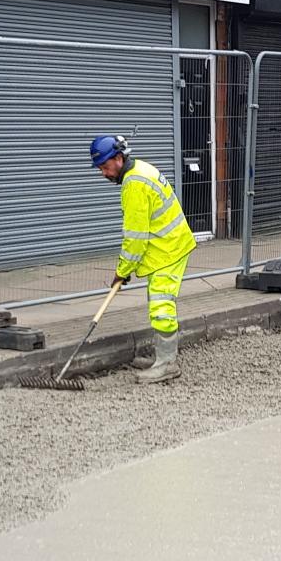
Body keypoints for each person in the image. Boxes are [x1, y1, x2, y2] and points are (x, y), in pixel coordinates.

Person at [91, 134, 196, 383]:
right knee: (158, 303)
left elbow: (135, 238)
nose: (103, 174)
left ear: (118, 159)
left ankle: (167, 364)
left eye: (105, 167)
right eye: (99, 168)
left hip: (168, 250)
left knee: (161, 307)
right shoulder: (140, 168)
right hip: (168, 245)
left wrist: (122, 270)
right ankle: (162, 358)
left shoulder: (134, 185)